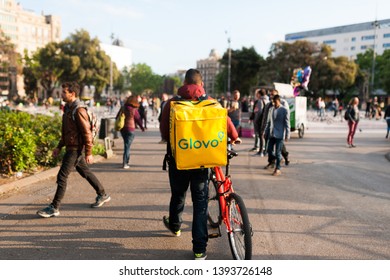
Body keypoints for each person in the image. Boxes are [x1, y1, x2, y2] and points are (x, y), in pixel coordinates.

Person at [160, 68, 241, 260]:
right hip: (202, 161)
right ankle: (199, 250)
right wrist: (235, 137)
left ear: (185, 83)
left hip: (178, 161)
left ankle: (176, 226)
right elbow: (226, 122)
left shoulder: (172, 104)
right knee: (200, 205)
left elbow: (164, 132)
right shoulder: (211, 103)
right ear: (201, 84)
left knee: (178, 195)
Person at [37, 81, 111, 218]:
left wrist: (89, 152)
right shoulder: (68, 109)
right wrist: (59, 147)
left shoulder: (79, 110)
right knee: (86, 173)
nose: (61, 94)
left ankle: (54, 207)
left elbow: (86, 133)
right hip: (71, 147)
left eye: (64, 92)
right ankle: (102, 194)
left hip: (75, 149)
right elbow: (67, 132)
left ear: (73, 94)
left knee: (62, 176)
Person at [261, 89, 290, 166]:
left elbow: (287, 118)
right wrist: (263, 129)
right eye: (270, 95)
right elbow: (265, 118)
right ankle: (271, 161)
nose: (271, 96)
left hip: (279, 131)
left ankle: (284, 158)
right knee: (268, 147)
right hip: (270, 130)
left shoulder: (283, 104)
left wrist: (287, 133)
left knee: (280, 148)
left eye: (273, 94)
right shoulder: (268, 105)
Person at [116, 95, 145, 169]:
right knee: (127, 146)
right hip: (130, 129)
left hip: (123, 129)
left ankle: (126, 161)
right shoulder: (134, 110)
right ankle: (125, 163)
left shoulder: (123, 108)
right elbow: (138, 119)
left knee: (126, 145)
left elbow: (117, 117)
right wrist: (142, 128)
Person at [250, 89, 268, 156]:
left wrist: (256, 120)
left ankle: (261, 151)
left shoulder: (260, 101)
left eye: (257, 94)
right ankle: (265, 150)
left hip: (260, 121)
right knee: (264, 136)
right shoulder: (267, 100)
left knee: (261, 136)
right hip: (266, 120)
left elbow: (258, 112)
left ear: (259, 94)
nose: (256, 95)